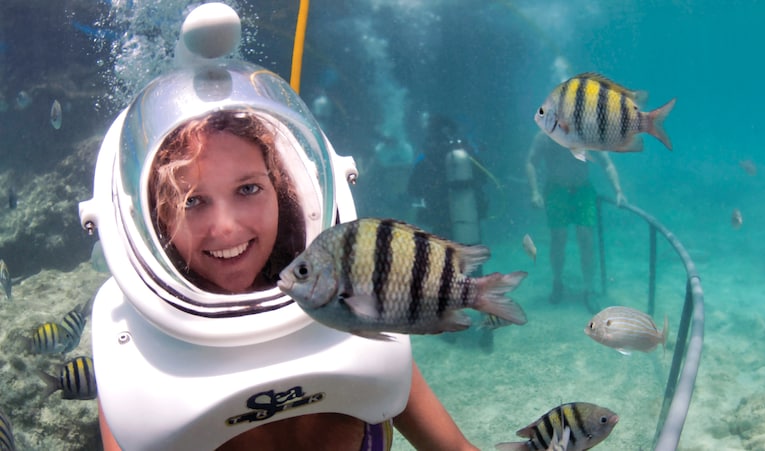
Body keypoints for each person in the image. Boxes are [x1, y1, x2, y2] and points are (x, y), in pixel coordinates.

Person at [81, 7, 478, 450]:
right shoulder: (135, 340)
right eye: (192, 201)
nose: (226, 227)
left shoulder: (349, 302)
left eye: (248, 188)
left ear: (284, 190)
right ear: (158, 217)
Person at [525, 131, 626, 311]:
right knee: (558, 238)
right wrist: (535, 191)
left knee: (586, 238)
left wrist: (618, 190)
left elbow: (607, 164)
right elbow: (531, 162)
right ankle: (557, 282)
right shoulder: (544, 135)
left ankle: (589, 289)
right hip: (556, 190)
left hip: (583, 190)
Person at [407, 114, 488, 245]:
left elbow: (413, 190)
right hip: (467, 221)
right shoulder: (466, 155)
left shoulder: (425, 161)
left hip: (440, 222)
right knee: (472, 258)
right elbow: (483, 179)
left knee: (444, 261)